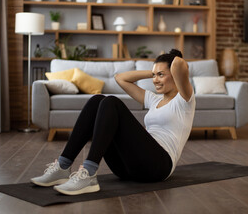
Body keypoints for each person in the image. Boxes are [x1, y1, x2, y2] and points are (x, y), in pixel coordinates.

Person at [31, 49, 196, 195]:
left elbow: (179, 64)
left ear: (174, 75)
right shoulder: (154, 100)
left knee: (112, 102)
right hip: (128, 168)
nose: (155, 80)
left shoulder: (184, 100)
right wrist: (153, 72)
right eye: (154, 76)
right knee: (98, 100)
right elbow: (120, 79)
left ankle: (88, 174)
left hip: (158, 167)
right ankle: (63, 166)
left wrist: (170, 65)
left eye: (161, 75)